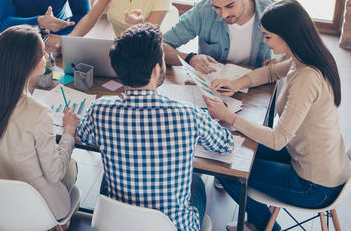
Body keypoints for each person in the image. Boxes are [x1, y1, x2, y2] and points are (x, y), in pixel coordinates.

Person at [205, 0, 351, 231]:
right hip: (319, 163)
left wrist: (228, 115)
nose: (265, 41)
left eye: (268, 36)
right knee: (240, 147)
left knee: (228, 172)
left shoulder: (306, 77)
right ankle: (259, 222)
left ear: (286, 35)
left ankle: (265, 226)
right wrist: (234, 84)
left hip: (313, 186)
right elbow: (272, 72)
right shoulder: (306, 57)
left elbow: (277, 139)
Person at [78, 23, 234, 231]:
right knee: (195, 182)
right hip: (173, 227)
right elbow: (225, 145)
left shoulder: (99, 109)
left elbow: (84, 136)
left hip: (117, 223)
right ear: (156, 69)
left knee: (109, 177)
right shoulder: (189, 114)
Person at [0, 25, 79, 220]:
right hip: (35, 209)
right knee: (71, 165)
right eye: (42, 53)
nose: (47, 57)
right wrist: (68, 132)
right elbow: (54, 173)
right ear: (27, 64)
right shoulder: (39, 112)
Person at [163, 0, 278, 74]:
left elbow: (294, 46)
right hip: (212, 86)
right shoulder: (202, 12)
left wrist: (282, 62)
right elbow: (160, 46)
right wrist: (190, 58)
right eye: (216, 7)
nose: (224, 15)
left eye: (230, 6)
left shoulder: (271, 10)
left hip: (256, 86)